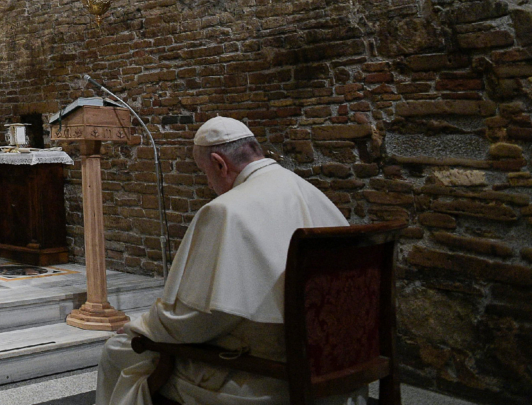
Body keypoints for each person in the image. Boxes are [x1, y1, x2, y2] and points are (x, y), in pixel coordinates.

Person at [96, 117, 361, 405]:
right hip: (336, 368)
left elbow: (198, 320)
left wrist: (142, 327)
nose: (209, 184)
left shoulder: (226, 211)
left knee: (117, 350)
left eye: (205, 173)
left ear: (219, 163)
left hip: (266, 377)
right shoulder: (312, 194)